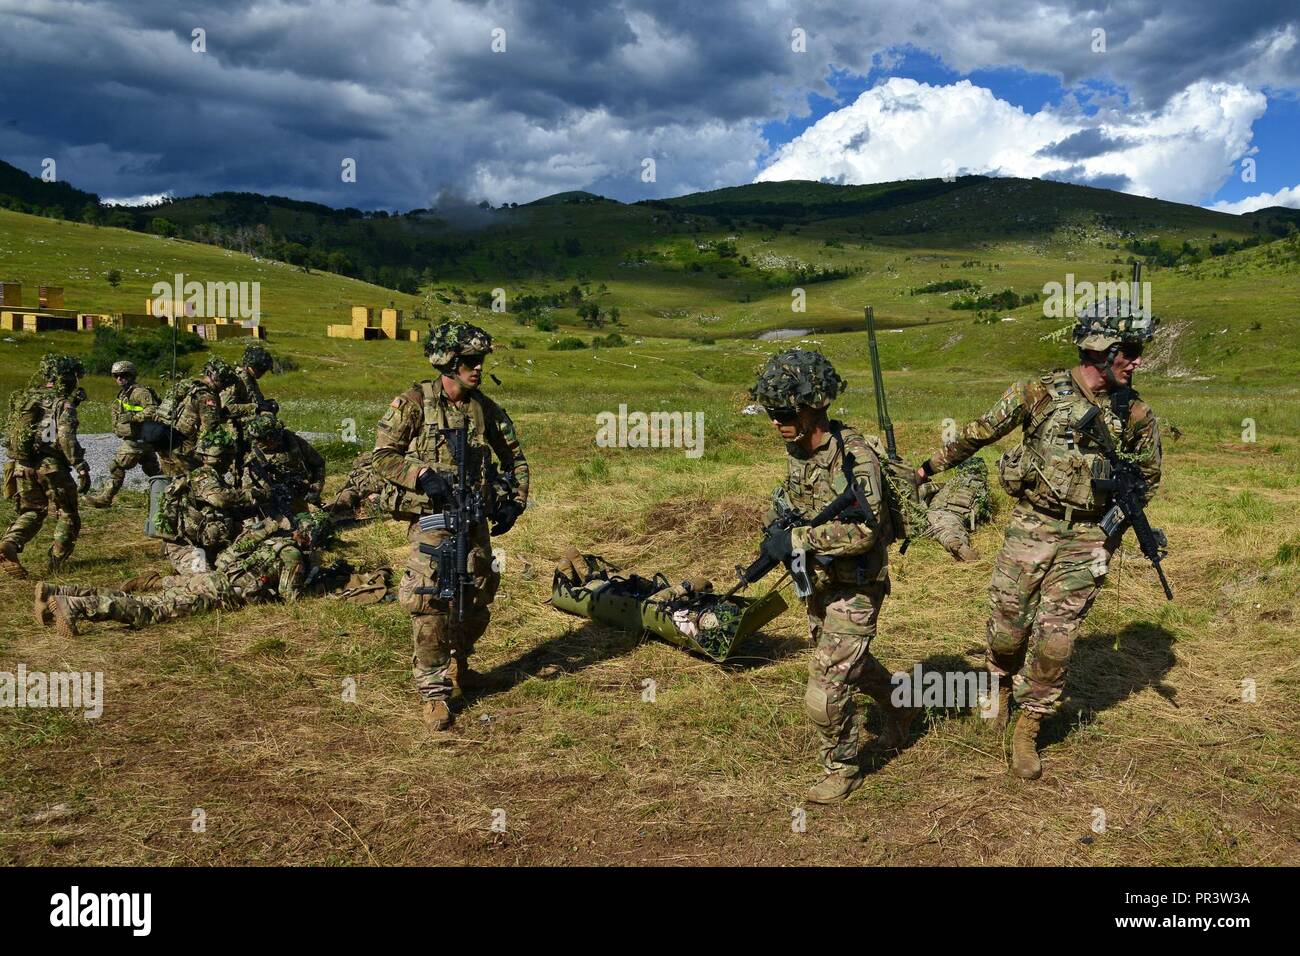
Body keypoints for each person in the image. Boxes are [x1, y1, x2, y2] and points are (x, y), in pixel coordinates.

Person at [915, 308, 1162, 779]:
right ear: (1100, 352)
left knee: (1057, 638)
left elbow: (1148, 478)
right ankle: (999, 683)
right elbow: (980, 431)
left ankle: (1028, 727)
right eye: (1129, 353)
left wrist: (1109, 527)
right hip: (1032, 523)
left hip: (1089, 537)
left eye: (1138, 353)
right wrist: (928, 468)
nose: (1136, 363)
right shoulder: (1039, 391)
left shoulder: (1135, 413)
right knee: (1008, 629)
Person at [749, 348, 919, 803]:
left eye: (783, 411)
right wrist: (776, 531)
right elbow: (791, 500)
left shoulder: (856, 457)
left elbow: (865, 529)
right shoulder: (797, 450)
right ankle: (904, 702)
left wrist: (800, 541)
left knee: (825, 684)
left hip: (858, 585)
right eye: (771, 412)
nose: (775, 421)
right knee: (852, 668)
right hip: (821, 583)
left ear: (813, 405)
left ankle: (841, 768)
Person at [371, 321, 529, 731]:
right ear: (449, 363)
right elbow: (383, 456)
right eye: (469, 362)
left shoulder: (485, 409)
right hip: (433, 520)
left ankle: (461, 667)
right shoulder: (414, 403)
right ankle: (434, 691)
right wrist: (421, 475)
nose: (477, 369)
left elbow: (516, 459)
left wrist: (516, 502)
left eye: (480, 361)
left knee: (476, 595)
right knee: (430, 600)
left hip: (474, 517)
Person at [35, 512, 333, 637]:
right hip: (220, 593)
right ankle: (75, 606)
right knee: (150, 610)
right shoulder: (292, 555)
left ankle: (59, 591)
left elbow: (229, 554)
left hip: (211, 578)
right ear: (310, 537)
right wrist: (316, 584)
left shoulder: (264, 536)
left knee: (147, 597)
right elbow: (292, 598)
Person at [1, 354, 91, 577]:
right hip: (51, 467)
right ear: (65, 376)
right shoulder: (63, 403)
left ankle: (10, 543)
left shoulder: (25, 398)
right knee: (68, 512)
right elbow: (64, 436)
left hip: (22, 466)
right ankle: (56, 565)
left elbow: (13, 434)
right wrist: (80, 465)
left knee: (33, 510)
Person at [85, 360, 161, 508]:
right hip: (140, 440)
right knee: (153, 470)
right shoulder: (125, 393)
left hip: (137, 440)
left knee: (116, 466)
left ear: (131, 375)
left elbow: (152, 410)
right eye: (116, 376)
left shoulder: (140, 392)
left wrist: (134, 418)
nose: (119, 378)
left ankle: (105, 499)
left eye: (123, 375)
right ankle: (166, 496)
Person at [155, 357, 236, 475]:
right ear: (217, 379)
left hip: (164, 439)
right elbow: (210, 427)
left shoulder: (188, 385)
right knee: (193, 481)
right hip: (183, 449)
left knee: (169, 478)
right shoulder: (206, 396)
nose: (224, 388)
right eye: (224, 383)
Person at [244, 413, 326, 512]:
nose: (260, 444)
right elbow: (248, 487)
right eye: (259, 441)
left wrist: (317, 486)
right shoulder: (253, 457)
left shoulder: (293, 441)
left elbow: (318, 464)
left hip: (298, 492)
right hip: (270, 500)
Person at [917, 456, 991, 561]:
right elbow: (981, 519)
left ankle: (956, 545)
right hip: (948, 514)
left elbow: (925, 489)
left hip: (940, 512)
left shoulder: (953, 483)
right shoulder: (980, 491)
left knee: (943, 528)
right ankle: (956, 544)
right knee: (946, 528)